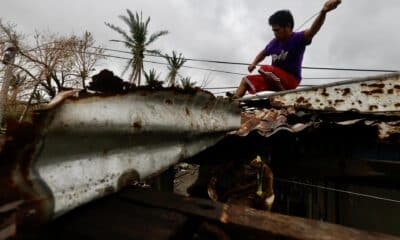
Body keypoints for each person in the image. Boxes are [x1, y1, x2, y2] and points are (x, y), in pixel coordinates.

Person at [233, 0, 341, 98]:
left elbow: (313, 30)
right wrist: (253, 63)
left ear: (288, 26)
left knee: (265, 68)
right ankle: (232, 105)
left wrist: (323, 12)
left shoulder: (297, 38)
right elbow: (263, 53)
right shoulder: (274, 43)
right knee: (246, 80)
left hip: (291, 80)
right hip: (273, 79)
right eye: (273, 30)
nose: (275, 33)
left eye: (277, 30)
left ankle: (285, 95)